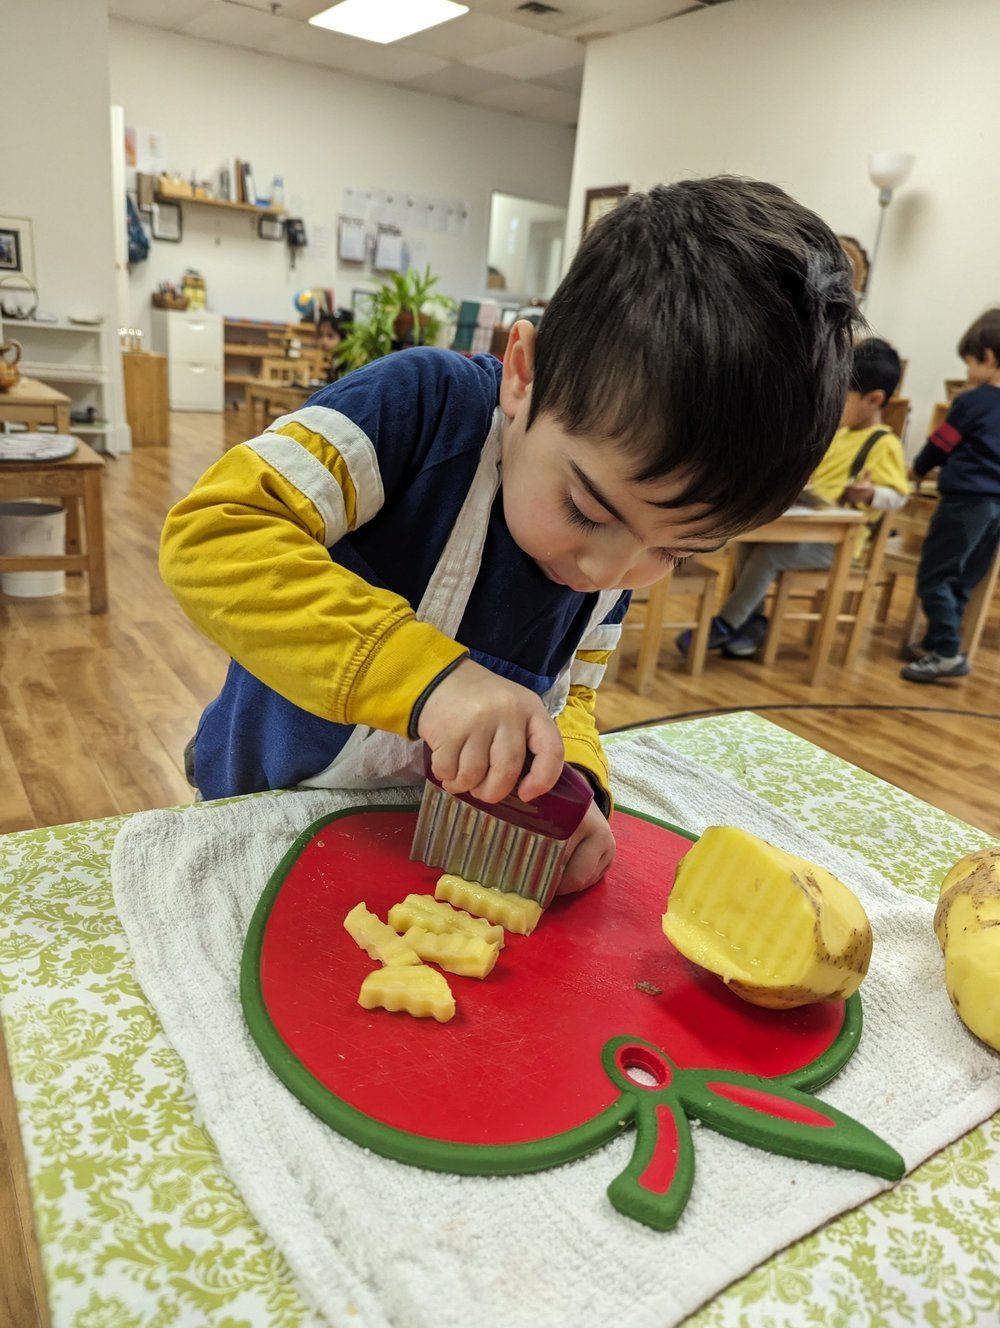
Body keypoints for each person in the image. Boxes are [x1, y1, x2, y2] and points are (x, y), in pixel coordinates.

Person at [160, 178, 857, 893]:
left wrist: (571, 782)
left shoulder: (616, 562)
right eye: (588, 510)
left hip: (406, 850)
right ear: (525, 375)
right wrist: (430, 680)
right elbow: (213, 534)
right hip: (258, 818)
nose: (606, 569)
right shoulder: (418, 409)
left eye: (673, 552)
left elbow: (572, 697)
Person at [678, 337, 907, 659]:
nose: (835, 403)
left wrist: (872, 494)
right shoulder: (838, 435)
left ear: (874, 399)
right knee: (749, 541)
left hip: (840, 545)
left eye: (843, 396)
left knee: (769, 556)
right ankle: (752, 622)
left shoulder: (885, 443)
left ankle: (727, 623)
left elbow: (899, 497)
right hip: (809, 528)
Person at [901, 309, 1000, 683]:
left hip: (965, 501)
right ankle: (937, 642)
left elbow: (941, 445)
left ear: (987, 358)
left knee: (934, 576)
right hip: (995, 508)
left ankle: (945, 652)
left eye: (970, 361)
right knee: (962, 578)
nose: (968, 370)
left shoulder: (970, 402)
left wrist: (916, 471)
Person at [316, 310, 350, 382]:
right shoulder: (328, 360)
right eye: (321, 335)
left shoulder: (347, 365)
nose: (324, 341)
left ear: (342, 338)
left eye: (330, 336)